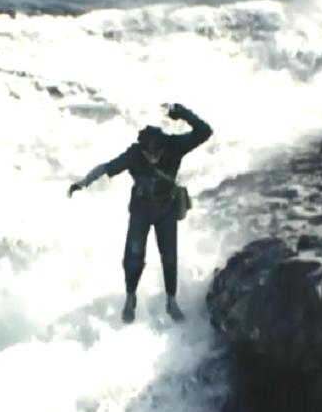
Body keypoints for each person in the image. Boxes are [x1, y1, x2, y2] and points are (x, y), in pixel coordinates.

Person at [68, 103, 213, 323]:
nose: (153, 156)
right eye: (148, 153)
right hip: (141, 208)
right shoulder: (134, 154)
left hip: (166, 207)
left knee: (169, 256)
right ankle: (130, 296)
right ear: (142, 148)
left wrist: (182, 113)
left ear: (164, 147)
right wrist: (83, 182)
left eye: (157, 152)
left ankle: (171, 301)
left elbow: (205, 131)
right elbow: (106, 167)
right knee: (134, 256)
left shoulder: (175, 146)